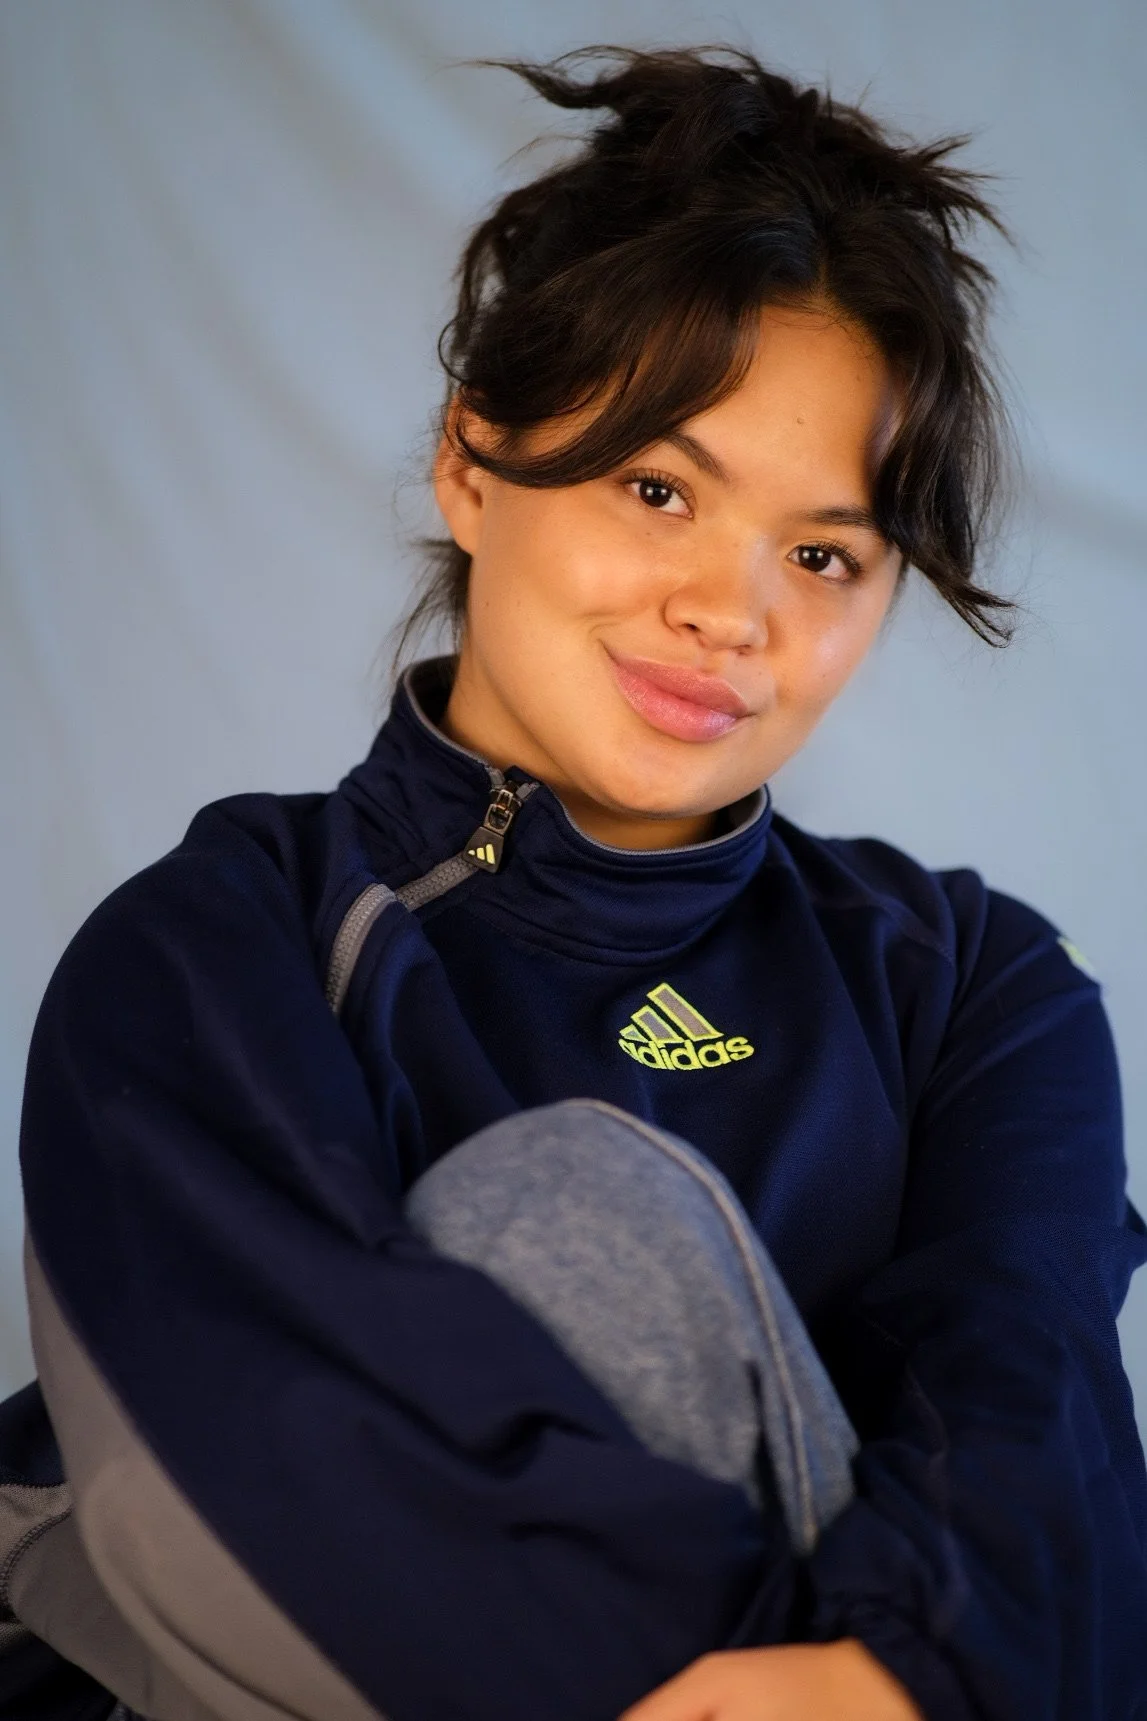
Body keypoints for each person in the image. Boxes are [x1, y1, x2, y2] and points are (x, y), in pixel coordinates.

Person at [1, 42, 1145, 1721]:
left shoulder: (971, 983)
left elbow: (1035, 1417)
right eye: (658, 487)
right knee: (559, 1225)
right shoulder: (217, 942)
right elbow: (254, 1447)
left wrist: (904, 1677)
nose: (729, 610)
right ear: (474, 464)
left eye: (821, 553)